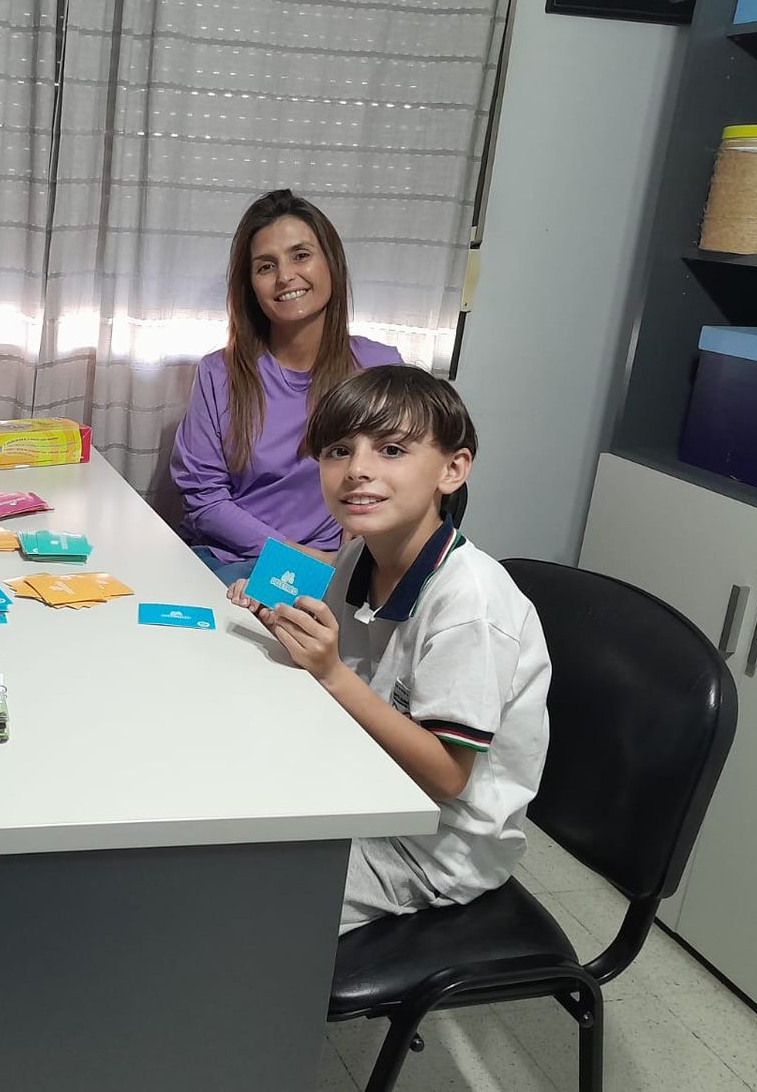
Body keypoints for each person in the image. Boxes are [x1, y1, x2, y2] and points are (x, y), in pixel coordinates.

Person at [228, 365, 550, 934]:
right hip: (362, 784)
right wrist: (281, 617)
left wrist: (330, 674)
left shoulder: (470, 605)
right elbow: (340, 646)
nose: (357, 470)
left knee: (238, 902)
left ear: (452, 469)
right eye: (337, 450)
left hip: (434, 845)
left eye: (393, 449)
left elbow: (448, 777)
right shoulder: (360, 555)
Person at [171, 190, 404, 582]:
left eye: (301, 255)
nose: (285, 277)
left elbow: (399, 477)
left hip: (339, 567)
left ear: (331, 262)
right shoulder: (219, 373)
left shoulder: (379, 368)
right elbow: (205, 501)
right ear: (250, 286)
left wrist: (349, 557)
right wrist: (299, 559)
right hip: (231, 560)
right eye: (265, 266)